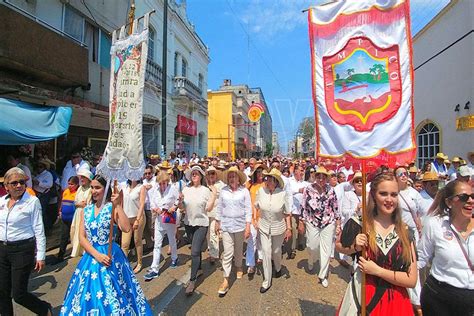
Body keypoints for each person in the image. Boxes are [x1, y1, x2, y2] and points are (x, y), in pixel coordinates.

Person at [60, 175, 152, 315]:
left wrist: (119, 206)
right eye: (92, 187)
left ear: (105, 189)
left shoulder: (112, 207)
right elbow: (82, 237)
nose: (94, 191)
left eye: (98, 187)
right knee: (89, 293)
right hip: (92, 256)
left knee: (114, 292)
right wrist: (97, 255)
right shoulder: (87, 209)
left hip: (112, 256)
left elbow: (126, 228)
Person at [337, 172, 418, 315]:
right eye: (383, 194)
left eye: (394, 194)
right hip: (363, 295)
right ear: (374, 195)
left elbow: (411, 280)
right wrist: (355, 246)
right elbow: (339, 246)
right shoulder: (360, 223)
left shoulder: (405, 232)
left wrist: (378, 271)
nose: (389, 199)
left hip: (395, 303)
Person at [0, 167, 52, 316]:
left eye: (22, 182)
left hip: (22, 250)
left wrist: (41, 255)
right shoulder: (1, 202)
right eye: (14, 183)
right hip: (3, 249)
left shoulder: (32, 201)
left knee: (19, 294)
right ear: (6, 186)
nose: (18, 186)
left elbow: (39, 229)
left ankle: (43, 309)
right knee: (2, 291)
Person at [418, 180, 474, 315]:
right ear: (449, 202)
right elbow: (420, 260)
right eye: (464, 197)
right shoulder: (434, 225)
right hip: (439, 298)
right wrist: (415, 297)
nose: (471, 201)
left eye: (473, 196)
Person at [178, 165, 217, 295]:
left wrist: (214, 194)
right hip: (188, 223)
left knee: (194, 252)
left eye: (196, 173)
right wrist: (180, 203)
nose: (194, 175)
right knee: (196, 248)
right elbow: (182, 208)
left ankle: (192, 280)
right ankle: (199, 268)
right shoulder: (186, 189)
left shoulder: (206, 190)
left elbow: (209, 208)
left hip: (201, 224)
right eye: (192, 174)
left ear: (200, 176)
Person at [299, 166, 341, 288]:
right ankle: (311, 259)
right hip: (312, 222)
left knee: (326, 250)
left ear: (327, 178)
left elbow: (335, 207)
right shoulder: (308, 189)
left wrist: (338, 224)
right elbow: (304, 207)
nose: (321, 179)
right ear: (315, 177)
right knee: (312, 246)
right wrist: (301, 222)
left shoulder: (331, 190)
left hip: (328, 222)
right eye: (318, 176)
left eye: (323, 177)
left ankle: (323, 275)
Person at [215, 166, 251, 296]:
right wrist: (217, 222)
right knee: (228, 252)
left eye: (234, 176)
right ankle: (226, 279)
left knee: (238, 248)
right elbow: (219, 207)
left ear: (238, 178)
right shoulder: (223, 191)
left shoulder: (244, 191)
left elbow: (248, 209)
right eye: (230, 176)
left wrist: (248, 226)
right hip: (226, 225)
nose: (231, 178)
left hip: (240, 225)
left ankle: (239, 266)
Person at [254, 168, 292, 293]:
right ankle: (267, 281)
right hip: (264, 226)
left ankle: (278, 267)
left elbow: (287, 213)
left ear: (276, 182)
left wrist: (289, 228)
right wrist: (255, 218)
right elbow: (256, 205)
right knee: (266, 251)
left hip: (278, 227)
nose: (268, 181)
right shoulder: (261, 191)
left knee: (276, 251)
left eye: (271, 179)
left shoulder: (283, 194)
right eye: (267, 178)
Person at [144, 171, 180, 281]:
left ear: (167, 182)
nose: (162, 185)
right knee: (157, 244)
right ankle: (154, 269)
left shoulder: (172, 188)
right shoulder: (156, 189)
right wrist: (156, 209)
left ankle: (174, 258)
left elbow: (178, 199)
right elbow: (152, 203)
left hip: (169, 218)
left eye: (164, 183)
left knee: (171, 240)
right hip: (159, 220)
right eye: (160, 183)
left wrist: (174, 206)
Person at [121, 179, 146, 273]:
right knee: (124, 243)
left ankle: (139, 263)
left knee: (137, 241)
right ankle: (123, 263)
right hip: (126, 218)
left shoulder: (141, 188)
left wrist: (138, 219)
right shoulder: (124, 187)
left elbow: (142, 204)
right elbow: (120, 202)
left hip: (137, 217)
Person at [53, 176, 80, 263]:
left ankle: (76, 251)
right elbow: (62, 201)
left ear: (76, 185)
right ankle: (60, 255)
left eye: (72, 184)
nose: (70, 186)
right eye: (69, 184)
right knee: (64, 236)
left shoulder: (78, 193)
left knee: (74, 235)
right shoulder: (66, 191)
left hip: (73, 218)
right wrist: (59, 211)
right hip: (65, 218)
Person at [246, 163, 266, 275]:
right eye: (258, 172)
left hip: (263, 217)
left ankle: (261, 257)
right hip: (251, 217)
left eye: (262, 172)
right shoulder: (250, 185)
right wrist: (250, 218)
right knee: (251, 240)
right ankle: (250, 264)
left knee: (262, 239)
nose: (260, 174)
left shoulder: (267, 184)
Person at [70, 168, 93, 258]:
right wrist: (79, 204)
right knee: (75, 230)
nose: (82, 179)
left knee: (84, 231)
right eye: (81, 177)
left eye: (84, 177)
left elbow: (88, 203)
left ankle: (85, 250)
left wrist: (82, 204)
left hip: (86, 213)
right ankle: (76, 250)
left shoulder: (91, 189)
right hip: (77, 213)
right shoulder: (79, 188)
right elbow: (76, 202)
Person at [286, 164, 308, 258]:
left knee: (302, 229)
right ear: (295, 171)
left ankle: (301, 242)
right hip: (292, 209)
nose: (302, 172)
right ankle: (292, 249)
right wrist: (299, 190)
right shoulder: (289, 181)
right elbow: (288, 192)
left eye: (303, 170)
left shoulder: (306, 183)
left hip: (303, 210)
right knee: (294, 229)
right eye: (300, 170)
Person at [205, 166, 225, 265]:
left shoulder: (221, 185)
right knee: (207, 233)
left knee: (213, 232)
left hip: (216, 212)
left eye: (213, 173)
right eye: (209, 173)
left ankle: (213, 254)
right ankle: (210, 249)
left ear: (216, 174)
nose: (211, 175)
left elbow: (222, 200)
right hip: (205, 212)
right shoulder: (205, 185)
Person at [33, 159, 54, 234]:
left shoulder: (48, 175)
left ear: (44, 167)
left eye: (40, 167)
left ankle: (48, 227)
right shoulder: (38, 174)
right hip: (37, 194)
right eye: (38, 167)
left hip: (44, 194)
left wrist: (39, 183)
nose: (39, 168)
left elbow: (49, 185)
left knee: (42, 212)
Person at [142, 165, 156, 252]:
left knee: (152, 227)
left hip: (153, 207)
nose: (147, 175)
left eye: (149, 173)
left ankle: (157, 241)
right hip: (144, 207)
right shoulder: (143, 182)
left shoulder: (155, 181)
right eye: (145, 173)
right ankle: (149, 244)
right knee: (145, 228)